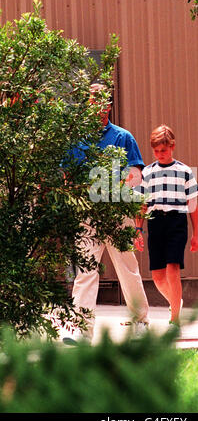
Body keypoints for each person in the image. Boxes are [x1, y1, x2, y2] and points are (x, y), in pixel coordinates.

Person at [63, 83, 149, 343]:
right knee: (85, 272)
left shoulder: (124, 137)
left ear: (109, 105)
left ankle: (140, 322)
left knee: (127, 268)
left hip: (116, 213)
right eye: (92, 100)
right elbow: (68, 177)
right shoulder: (75, 139)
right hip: (86, 215)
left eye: (102, 100)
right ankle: (82, 331)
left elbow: (135, 176)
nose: (97, 105)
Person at [133, 124, 198, 327]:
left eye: (164, 150)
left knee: (173, 268)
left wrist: (196, 234)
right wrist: (138, 229)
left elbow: (193, 205)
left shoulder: (184, 171)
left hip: (176, 221)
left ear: (172, 147)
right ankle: (175, 302)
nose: (160, 154)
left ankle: (175, 320)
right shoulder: (147, 172)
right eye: (156, 151)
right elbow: (142, 204)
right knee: (157, 276)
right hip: (155, 223)